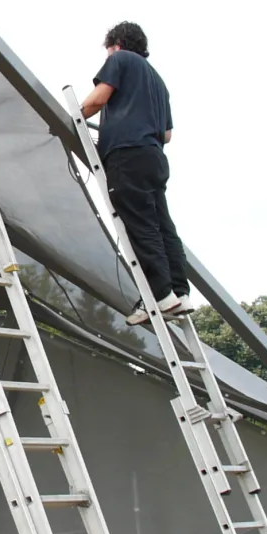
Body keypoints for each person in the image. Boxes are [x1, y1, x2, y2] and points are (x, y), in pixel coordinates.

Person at [80, 22, 192, 326]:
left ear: (116, 44)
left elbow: (99, 98)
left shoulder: (121, 60)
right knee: (161, 224)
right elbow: (167, 134)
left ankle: (161, 294)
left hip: (126, 154)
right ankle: (179, 292)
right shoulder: (158, 81)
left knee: (140, 225)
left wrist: (75, 115)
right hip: (153, 155)